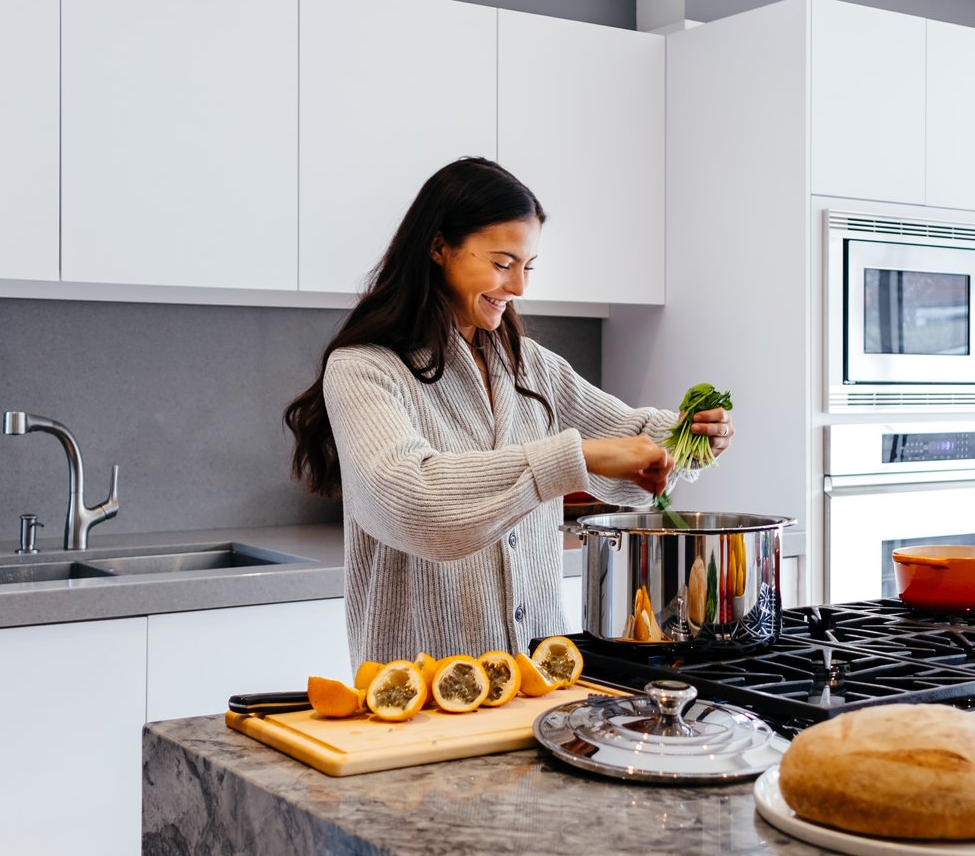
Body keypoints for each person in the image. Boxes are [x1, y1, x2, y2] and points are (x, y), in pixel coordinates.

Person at [285, 157, 734, 666]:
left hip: (542, 679)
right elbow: (412, 501)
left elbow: (629, 438)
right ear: (438, 248)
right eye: (502, 263)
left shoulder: (531, 366)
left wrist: (689, 437)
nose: (519, 287)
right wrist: (573, 458)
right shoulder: (365, 369)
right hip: (421, 692)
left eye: (528, 266)